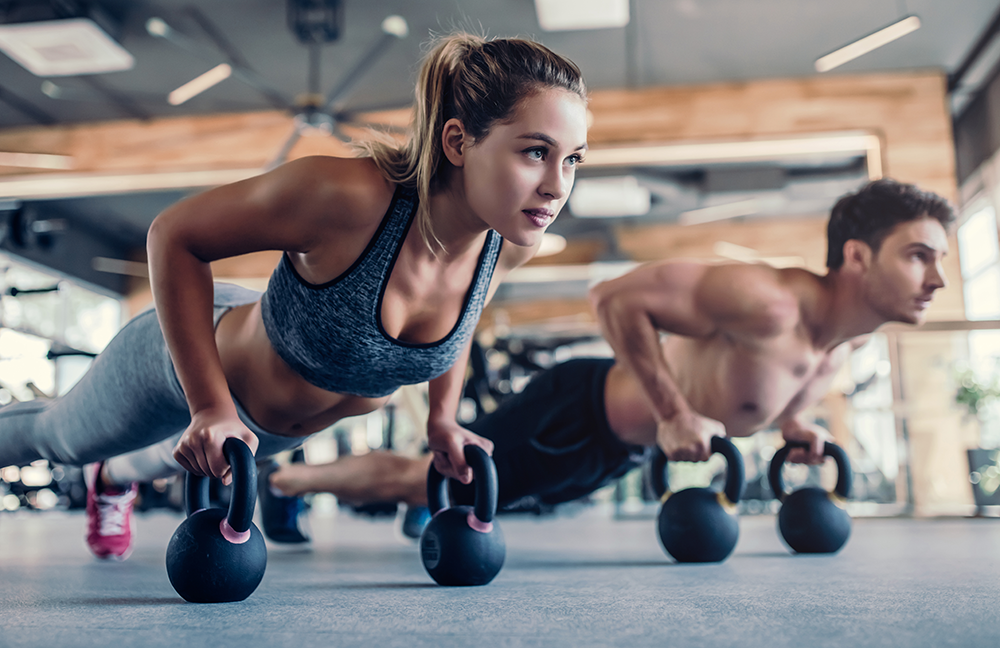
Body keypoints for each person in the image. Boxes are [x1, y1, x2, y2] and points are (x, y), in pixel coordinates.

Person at [0, 32, 589, 560]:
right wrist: (209, 405)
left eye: (573, 160)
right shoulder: (348, 197)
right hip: (187, 363)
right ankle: (105, 463)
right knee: (60, 439)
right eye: (535, 152)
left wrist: (442, 420)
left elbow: (456, 327)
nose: (558, 185)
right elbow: (175, 235)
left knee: (157, 458)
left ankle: (116, 478)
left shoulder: (510, 244)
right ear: (458, 142)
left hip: (265, 429)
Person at [257, 177, 954, 540]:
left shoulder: (846, 340)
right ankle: (286, 484)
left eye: (942, 260)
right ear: (858, 257)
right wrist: (675, 411)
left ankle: (295, 483)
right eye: (919, 255)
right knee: (424, 482)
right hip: (577, 413)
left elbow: (777, 381)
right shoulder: (766, 299)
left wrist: (797, 423)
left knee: (453, 491)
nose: (938, 279)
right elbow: (613, 296)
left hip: (610, 451)